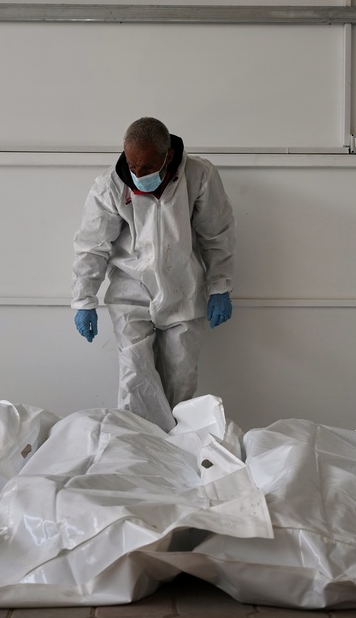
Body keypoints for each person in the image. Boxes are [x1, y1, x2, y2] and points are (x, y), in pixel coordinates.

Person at [72, 117, 235, 431]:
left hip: (183, 291)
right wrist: (84, 300)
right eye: (131, 163)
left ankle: (174, 449)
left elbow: (217, 234)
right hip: (130, 293)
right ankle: (138, 447)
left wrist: (220, 285)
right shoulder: (110, 185)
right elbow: (92, 245)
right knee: (135, 378)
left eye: (146, 166)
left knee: (180, 382)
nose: (137, 172)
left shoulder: (198, 176)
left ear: (168, 156)